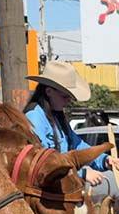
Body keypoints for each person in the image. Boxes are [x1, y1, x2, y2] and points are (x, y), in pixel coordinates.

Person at [24, 61, 119, 195]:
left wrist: (104, 160)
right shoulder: (34, 117)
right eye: (65, 96)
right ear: (49, 92)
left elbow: (78, 146)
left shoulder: (57, 117)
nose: (68, 100)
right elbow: (43, 161)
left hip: (57, 190)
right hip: (43, 194)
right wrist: (82, 173)